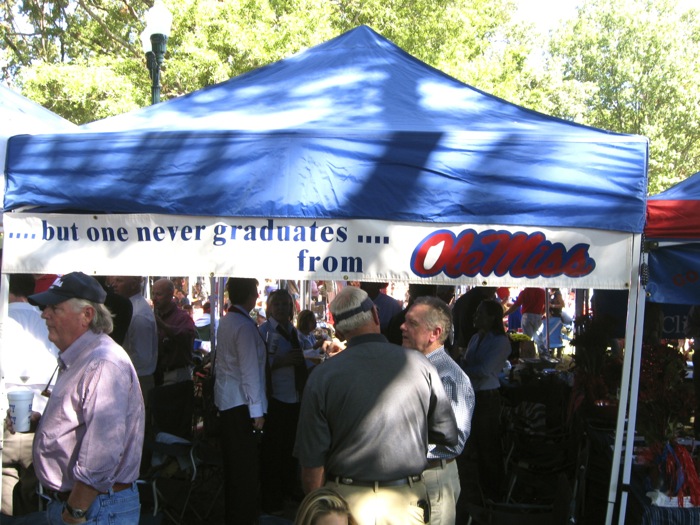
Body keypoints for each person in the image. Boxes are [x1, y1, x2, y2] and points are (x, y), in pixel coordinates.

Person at [294, 286, 458, 525]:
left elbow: (312, 464)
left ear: (338, 329)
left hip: (346, 504)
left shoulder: (322, 377)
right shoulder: (421, 366)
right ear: (376, 315)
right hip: (405, 502)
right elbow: (447, 434)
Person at [24, 271, 144, 525]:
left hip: (94, 507)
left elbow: (102, 452)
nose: (45, 314)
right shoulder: (84, 356)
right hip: (87, 504)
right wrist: (43, 424)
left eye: (54, 308)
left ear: (86, 315)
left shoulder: (102, 363)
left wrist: (75, 511)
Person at [401, 296, 475, 525]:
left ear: (435, 333)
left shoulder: (450, 378)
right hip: (407, 479)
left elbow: (454, 441)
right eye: (405, 321)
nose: (402, 327)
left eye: (412, 323)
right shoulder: (410, 365)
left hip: (432, 479)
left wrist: (400, 449)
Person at [2, 274, 60, 516]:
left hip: (7, 421)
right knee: (34, 500)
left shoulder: (5, 319)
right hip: (41, 419)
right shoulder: (48, 321)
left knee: (5, 499)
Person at [214, 277, 267, 524]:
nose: (257, 296)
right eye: (255, 292)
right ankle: (242, 517)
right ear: (249, 295)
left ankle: (235, 515)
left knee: (236, 469)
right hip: (240, 405)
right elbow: (249, 371)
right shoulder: (242, 325)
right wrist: (257, 411)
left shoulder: (229, 321)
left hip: (229, 401)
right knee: (243, 470)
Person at [459, 299, 512, 506]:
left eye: (480, 313)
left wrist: (462, 368)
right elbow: (471, 363)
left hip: (488, 397)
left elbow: (483, 370)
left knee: (488, 446)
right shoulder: (475, 338)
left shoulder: (500, 341)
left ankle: (495, 493)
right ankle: (480, 490)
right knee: (475, 445)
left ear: (492, 317)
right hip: (472, 395)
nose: (475, 316)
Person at [259, 289, 307, 514]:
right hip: (276, 399)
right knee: (274, 452)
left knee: (291, 450)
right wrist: (281, 361)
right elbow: (257, 367)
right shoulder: (263, 332)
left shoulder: (293, 331)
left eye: (286, 304)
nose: (282, 308)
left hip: (295, 398)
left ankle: (289, 491)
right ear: (269, 307)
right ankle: (272, 500)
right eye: (277, 304)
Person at [110, 276, 158, 399]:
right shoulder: (132, 308)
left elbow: (142, 357)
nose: (114, 284)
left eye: (119, 280)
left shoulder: (138, 314)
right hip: (132, 377)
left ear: (133, 284)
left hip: (138, 380)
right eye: (115, 280)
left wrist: (113, 366)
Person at [152, 278, 197, 386]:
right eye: (153, 294)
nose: (154, 299)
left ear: (170, 295)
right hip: (158, 375)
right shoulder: (154, 316)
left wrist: (163, 326)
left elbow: (187, 335)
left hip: (176, 375)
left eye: (158, 294)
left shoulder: (182, 317)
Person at [451, 287, 497, 359]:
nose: (494, 293)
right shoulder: (480, 301)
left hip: (461, 343)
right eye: (495, 290)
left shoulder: (463, 299)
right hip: (471, 343)